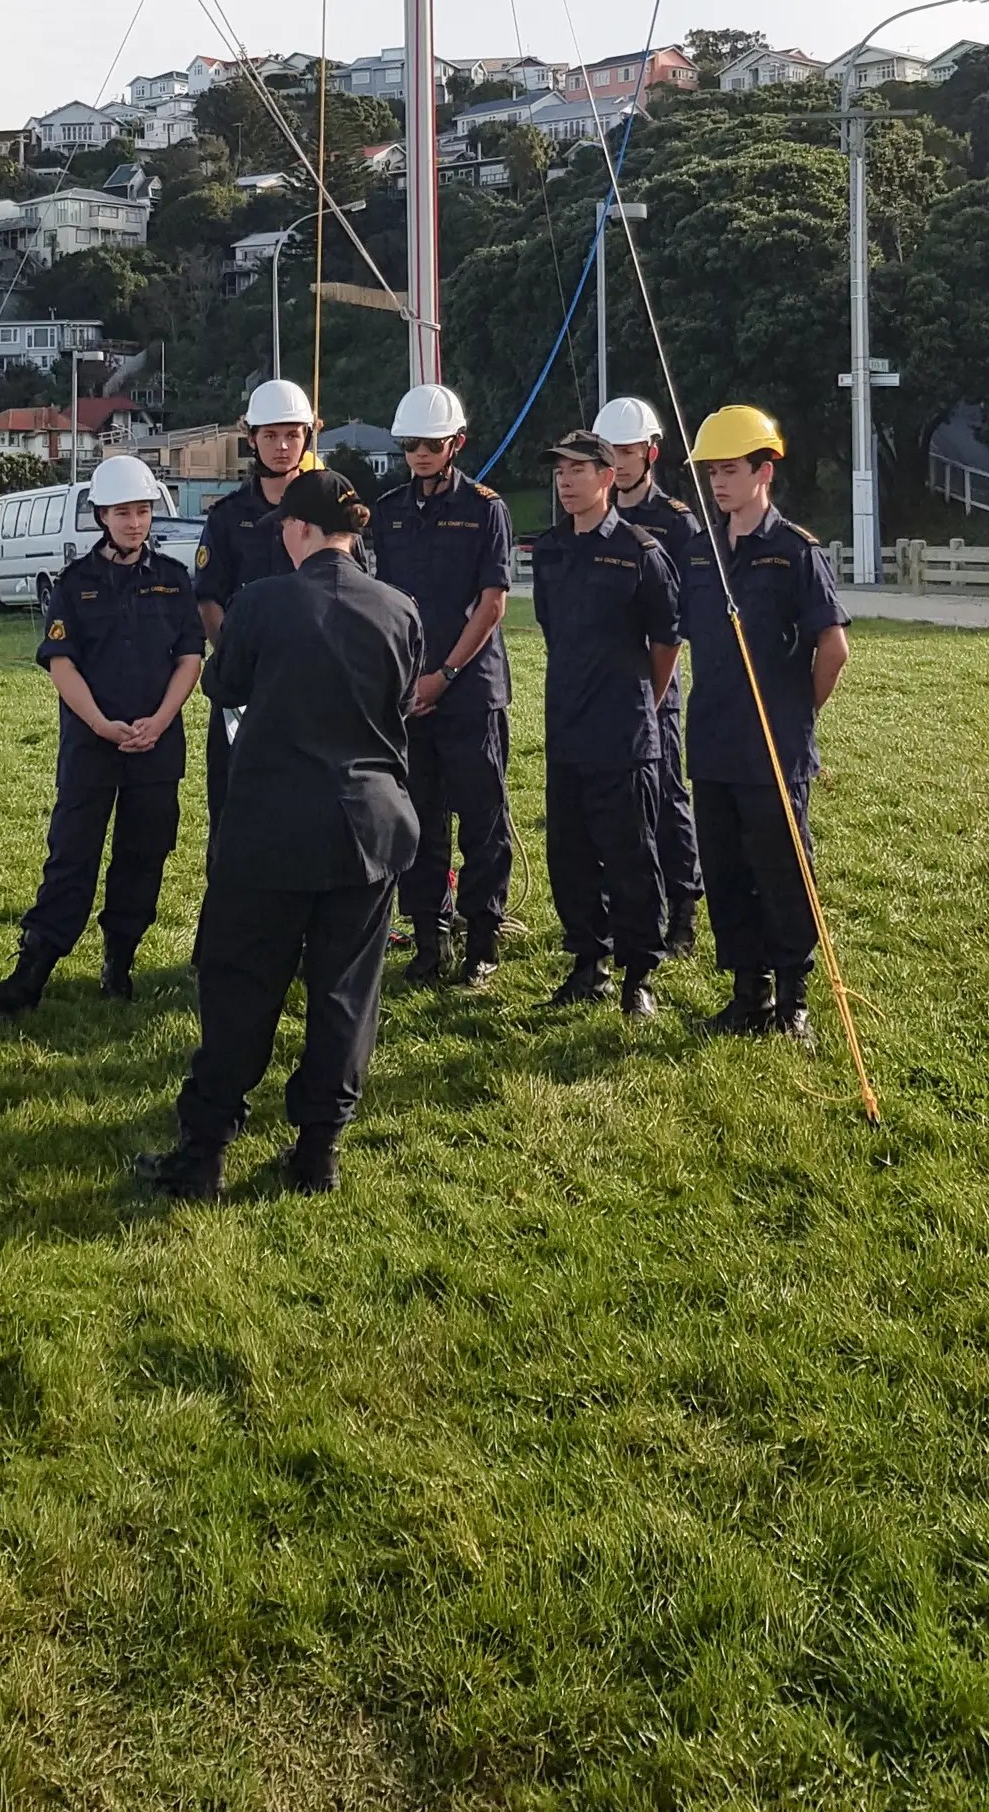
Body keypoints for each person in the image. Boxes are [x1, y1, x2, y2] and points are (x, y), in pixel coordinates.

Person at [138, 467, 422, 1202]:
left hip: (269, 829)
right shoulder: (398, 609)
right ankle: (318, 1148)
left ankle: (204, 1150)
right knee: (346, 994)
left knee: (240, 988)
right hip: (366, 827)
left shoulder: (261, 603)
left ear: (295, 530)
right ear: (352, 534)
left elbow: (224, 685)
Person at [0, 456, 204, 1018]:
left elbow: (190, 656)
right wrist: (99, 724)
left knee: (144, 855)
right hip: (92, 745)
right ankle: (31, 975)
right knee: (71, 856)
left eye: (143, 511)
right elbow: (61, 662)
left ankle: (120, 962)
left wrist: (162, 719)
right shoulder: (75, 583)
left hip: (156, 744)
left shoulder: (173, 578)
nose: (135, 523)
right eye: (123, 513)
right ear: (101, 515)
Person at [679, 406, 850, 1041]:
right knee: (725, 871)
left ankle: (792, 999)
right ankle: (744, 992)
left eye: (729, 470)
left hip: (775, 749)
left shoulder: (794, 552)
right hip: (714, 744)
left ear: (763, 471)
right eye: (710, 472)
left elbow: (833, 648)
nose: (717, 484)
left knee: (782, 869)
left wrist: (797, 714)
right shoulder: (698, 552)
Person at [366, 383, 514, 987]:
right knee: (420, 821)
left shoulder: (487, 508)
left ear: (456, 443)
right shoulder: (390, 509)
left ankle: (482, 941)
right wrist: (409, 682)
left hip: (470, 689)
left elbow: (493, 602)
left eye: (430, 443)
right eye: (409, 445)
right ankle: (429, 938)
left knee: (483, 820)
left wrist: (446, 674)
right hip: (411, 696)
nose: (420, 454)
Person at [532, 430, 682, 1017]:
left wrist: (644, 700)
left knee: (630, 855)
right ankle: (586, 961)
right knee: (569, 856)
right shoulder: (549, 550)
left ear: (606, 476)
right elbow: (553, 630)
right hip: (566, 728)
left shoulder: (642, 553)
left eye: (577, 470)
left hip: (622, 733)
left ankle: (638, 973)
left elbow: (666, 640)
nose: (565, 481)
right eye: (559, 471)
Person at [593, 395, 704, 957]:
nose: (617, 460)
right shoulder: (593, 515)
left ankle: (682, 906)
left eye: (627, 451)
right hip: (605, 682)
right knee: (615, 799)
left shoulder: (676, 523)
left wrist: (656, 696)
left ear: (650, 454)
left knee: (665, 789)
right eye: (608, 451)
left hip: (656, 677)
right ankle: (625, 903)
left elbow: (677, 621)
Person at [192, 378, 317, 857]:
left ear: (307, 436)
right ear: (251, 439)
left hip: (312, 687)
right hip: (242, 692)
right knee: (232, 811)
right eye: (270, 435)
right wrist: (239, 664)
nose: (282, 446)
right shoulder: (226, 517)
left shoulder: (327, 508)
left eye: (292, 434)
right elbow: (208, 599)